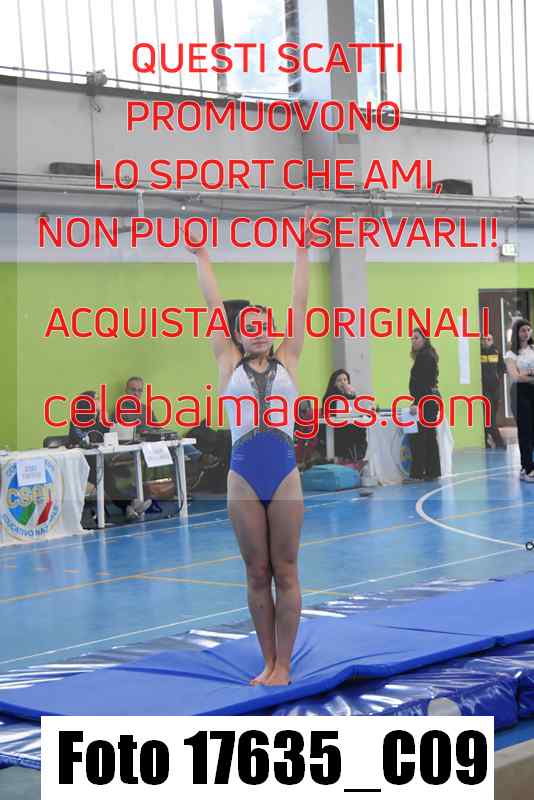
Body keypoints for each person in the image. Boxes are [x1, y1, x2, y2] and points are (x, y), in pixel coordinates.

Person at [185, 210, 316, 686]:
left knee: (286, 569)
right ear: (237, 336)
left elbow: (299, 303)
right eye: (249, 326)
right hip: (242, 476)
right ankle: (268, 662)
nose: (258, 330)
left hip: (284, 475)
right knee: (257, 572)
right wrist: (202, 256)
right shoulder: (228, 363)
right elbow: (212, 304)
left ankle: (285, 664)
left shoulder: (289, 359)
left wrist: (302, 250)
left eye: (265, 324)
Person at [406, 329, 441, 482]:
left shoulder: (425, 357)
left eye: (416, 338)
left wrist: (417, 403)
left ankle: (417, 474)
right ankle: (433, 471)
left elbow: (424, 383)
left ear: (424, 339)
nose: (413, 341)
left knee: (419, 437)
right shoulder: (427, 355)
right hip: (430, 398)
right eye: (412, 338)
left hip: (426, 400)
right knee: (429, 437)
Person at [504, 319, 534, 481]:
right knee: (525, 430)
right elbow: (515, 377)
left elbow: (522, 374)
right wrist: (529, 375)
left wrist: (525, 374)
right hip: (519, 393)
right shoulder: (511, 354)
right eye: (523, 330)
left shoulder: (533, 349)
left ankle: (525, 466)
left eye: (528, 330)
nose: (526, 333)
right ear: (517, 332)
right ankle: (528, 468)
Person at [320, 369, 368, 465]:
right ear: (334, 383)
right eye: (339, 380)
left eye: (345, 380)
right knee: (357, 430)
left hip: (345, 425)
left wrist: (351, 395)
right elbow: (339, 411)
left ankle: (356, 459)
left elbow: (352, 410)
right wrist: (349, 395)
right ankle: (352, 459)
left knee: (361, 428)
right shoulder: (330, 395)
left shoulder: (346, 394)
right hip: (334, 428)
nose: (343, 382)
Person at [480, 334, 506, 449]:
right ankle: (499, 442)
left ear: (492, 341)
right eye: (484, 339)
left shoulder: (496, 352)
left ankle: (486, 441)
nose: (486, 341)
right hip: (484, 390)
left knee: (491, 417)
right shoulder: (478, 353)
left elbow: (502, 368)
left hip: (495, 390)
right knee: (489, 417)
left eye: (489, 339)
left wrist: (498, 377)